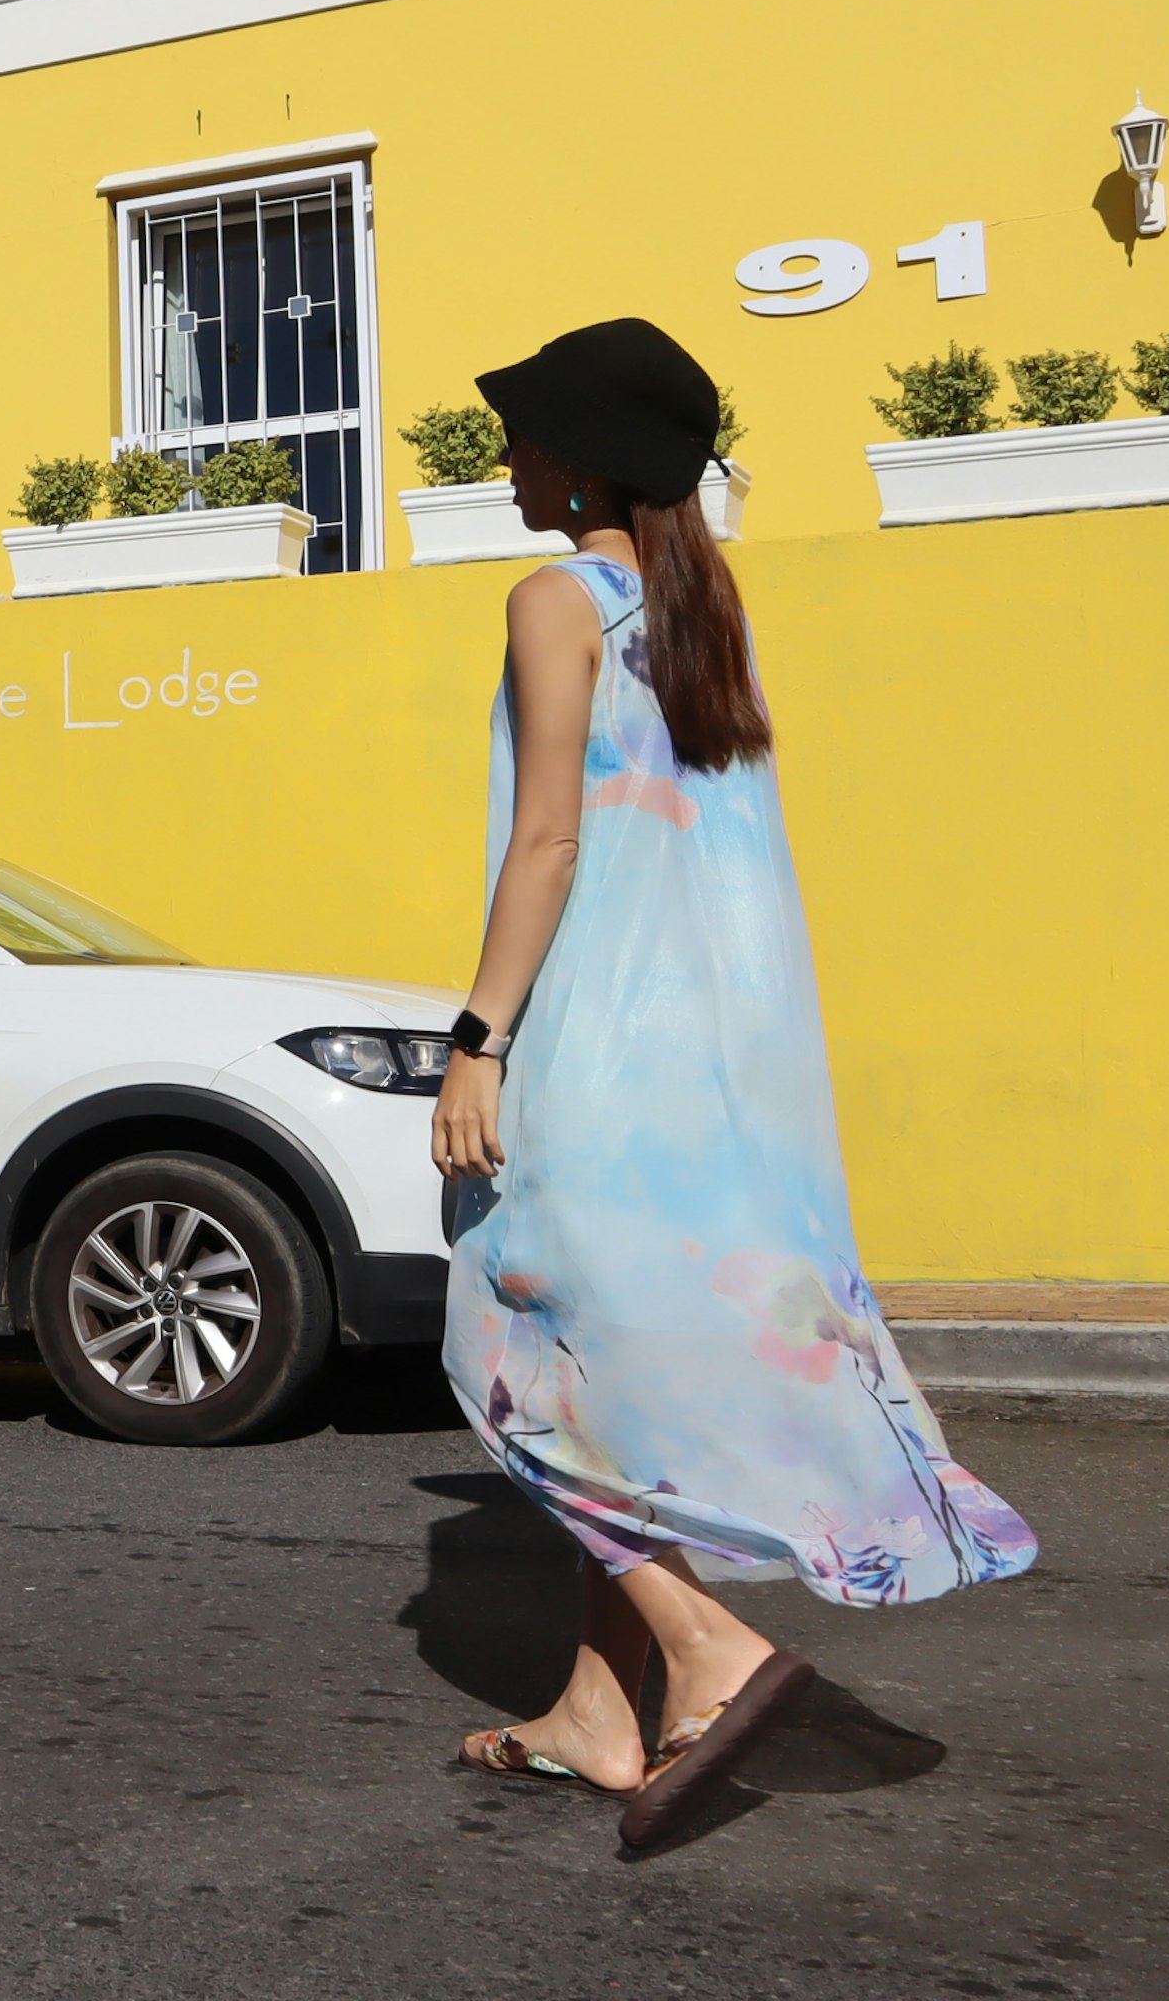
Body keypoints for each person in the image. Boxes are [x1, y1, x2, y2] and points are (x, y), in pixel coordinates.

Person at [432, 317, 1036, 1855]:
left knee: (502, 1350)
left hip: (592, 1048)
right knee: (610, 1374)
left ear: (574, 463)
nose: (509, 461)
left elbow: (552, 842)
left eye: (523, 436)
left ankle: (710, 1650)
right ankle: (594, 1710)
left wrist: (479, 1037)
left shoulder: (554, 595)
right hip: (711, 1062)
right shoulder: (700, 607)